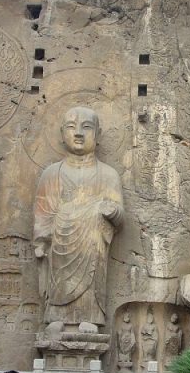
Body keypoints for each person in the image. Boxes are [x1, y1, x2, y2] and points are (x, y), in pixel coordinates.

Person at [34, 106, 124, 331]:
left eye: (87, 127)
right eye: (72, 127)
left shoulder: (108, 174)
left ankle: (91, 317)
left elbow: (119, 216)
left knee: (94, 254)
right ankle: (56, 315)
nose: (79, 134)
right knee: (58, 272)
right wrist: (42, 239)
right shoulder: (52, 173)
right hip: (60, 245)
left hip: (92, 246)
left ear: (98, 134)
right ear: (62, 133)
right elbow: (43, 213)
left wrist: (110, 212)